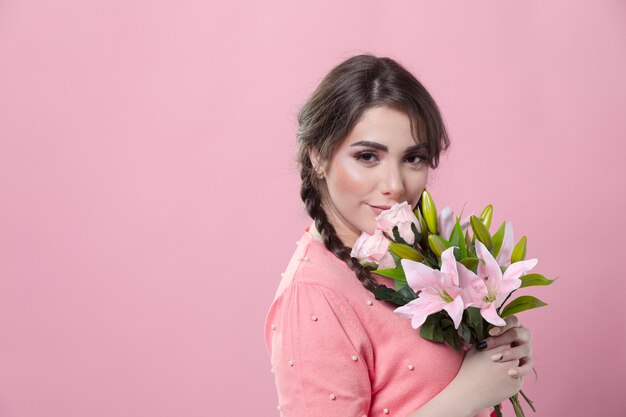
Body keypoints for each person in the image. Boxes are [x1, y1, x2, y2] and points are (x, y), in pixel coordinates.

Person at [263, 54, 534, 417]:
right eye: (367, 156)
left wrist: (500, 350)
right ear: (318, 157)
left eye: (413, 158)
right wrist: (469, 394)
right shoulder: (313, 295)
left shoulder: (413, 248)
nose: (394, 186)